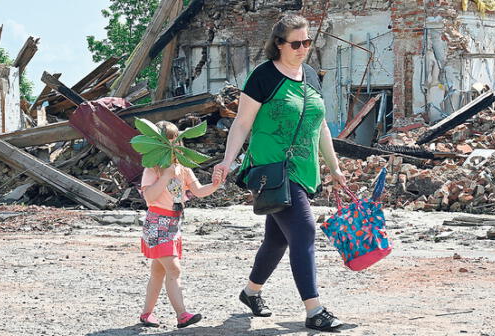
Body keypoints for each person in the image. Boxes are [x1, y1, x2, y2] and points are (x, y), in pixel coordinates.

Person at [213, 14, 348, 332]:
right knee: (303, 231)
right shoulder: (263, 76)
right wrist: (226, 160)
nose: (303, 48)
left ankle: (251, 292)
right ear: (279, 44)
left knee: (277, 239)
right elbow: (242, 123)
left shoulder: (312, 76)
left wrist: (335, 167)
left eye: (307, 42)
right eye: (296, 43)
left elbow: (321, 126)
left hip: (302, 169)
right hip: (270, 169)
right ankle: (315, 310)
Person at [138, 121, 222, 329]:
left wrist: (215, 185)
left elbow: (199, 191)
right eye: (165, 138)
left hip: (174, 224)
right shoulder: (153, 168)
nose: (170, 142)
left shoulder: (183, 169)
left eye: (173, 137)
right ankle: (182, 315)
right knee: (173, 270)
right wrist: (165, 176)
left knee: (158, 273)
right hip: (157, 222)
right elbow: (149, 197)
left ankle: (146, 314)